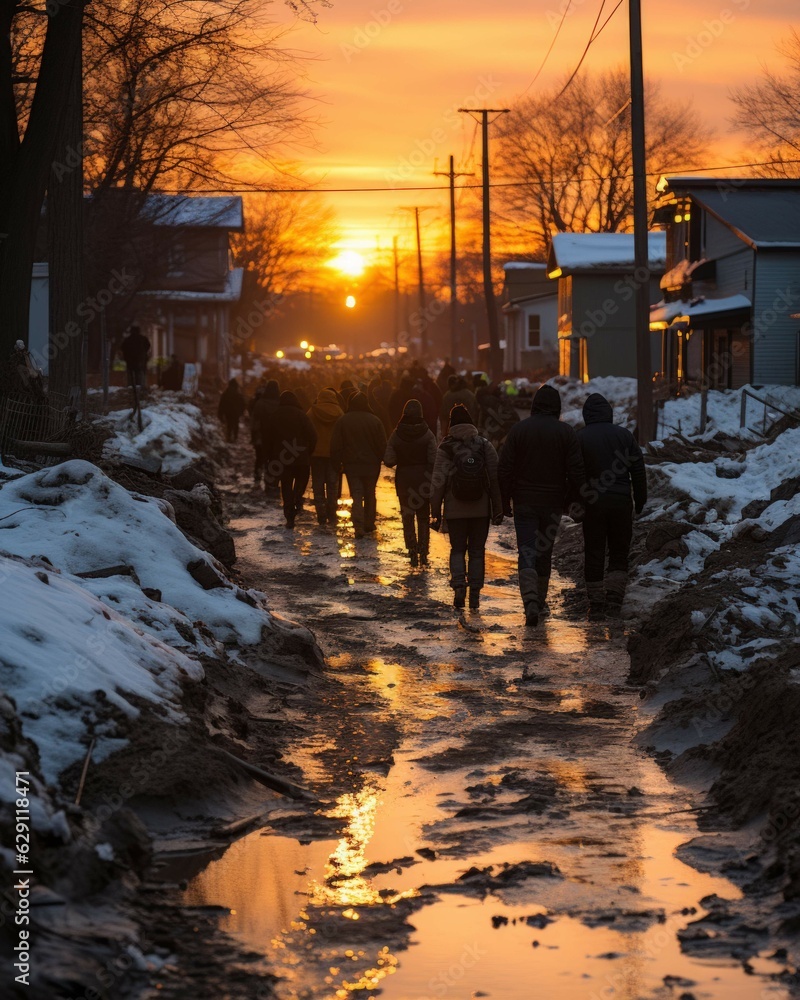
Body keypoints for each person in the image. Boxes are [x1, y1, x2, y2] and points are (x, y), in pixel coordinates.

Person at [498, 384, 586, 627]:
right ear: (557, 407)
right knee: (544, 552)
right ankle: (541, 600)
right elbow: (576, 471)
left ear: (535, 405)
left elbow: (504, 469)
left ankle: (530, 604)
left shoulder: (518, 430)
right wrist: (575, 499)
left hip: (524, 502)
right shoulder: (566, 432)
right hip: (552, 504)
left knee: (526, 551)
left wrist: (505, 500)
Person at [576, 393, 647, 619]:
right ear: (609, 413)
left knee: (594, 551)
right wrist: (641, 499)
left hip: (592, 504)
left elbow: (574, 473)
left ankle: (596, 605)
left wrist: (574, 501)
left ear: (587, 415)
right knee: (619, 551)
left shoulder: (580, 438)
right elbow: (637, 469)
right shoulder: (624, 436)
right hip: (620, 502)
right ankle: (614, 600)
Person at [430, 403, 503, 610]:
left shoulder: (445, 447)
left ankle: (459, 586)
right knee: (477, 551)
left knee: (458, 550)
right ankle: (475, 596)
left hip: (455, 511)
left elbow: (437, 482)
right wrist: (498, 508)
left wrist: (435, 511)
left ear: (451, 425)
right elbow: (495, 479)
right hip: (481, 510)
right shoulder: (484, 445)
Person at [384, 399, 437, 567]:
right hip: (423, 482)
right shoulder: (427, 434)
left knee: (407, 517)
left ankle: (411, 549)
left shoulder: (397, 434)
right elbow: (434, 459)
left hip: (404, 481)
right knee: (423, 517)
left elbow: (389, 460)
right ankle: (424, 550)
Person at [330, 391, 387, 539]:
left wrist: (337, 463)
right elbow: (382, 444)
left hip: (352, 464)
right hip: (371, 465)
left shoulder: (343, 420)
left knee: (356, 494)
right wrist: (383, 458)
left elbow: (336, 444)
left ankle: (358, 526)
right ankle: (369, 523)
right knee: (370, 494)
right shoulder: (375, 420)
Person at [266, 391, 317, 529]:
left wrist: (270, 457)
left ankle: (289, 517)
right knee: (300, 484)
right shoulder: (302, 415)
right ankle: (297, 499)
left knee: (286, 487)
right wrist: (308, 452)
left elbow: (268, 439)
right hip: (301, 459)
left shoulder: (275, 416)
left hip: (283, 460)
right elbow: (313, 436)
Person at [307, 388, 345, 526]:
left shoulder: (311, 412)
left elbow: (307, 432)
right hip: (333, 455)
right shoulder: (340, 413)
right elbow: (343, 435)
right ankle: (332, 514)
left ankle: (321, 515)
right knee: (332, 485)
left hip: (316, 455)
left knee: (317, 486)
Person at [252, 379, 280, 488]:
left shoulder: (260, 403)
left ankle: (257, 477)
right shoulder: (280, 403)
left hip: (261, 435)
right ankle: (271, 480)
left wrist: (254, 434)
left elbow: (255, 420)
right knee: (274, 458)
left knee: (259, 457)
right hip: (276, 437)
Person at [217, 378, 246, 442]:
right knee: (236, 424)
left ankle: (229, 437)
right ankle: (235, 437)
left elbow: (221, 404)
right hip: (236, 413)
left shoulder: (225, 394)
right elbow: (243, 404)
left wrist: (220, 414)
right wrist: (241, 412)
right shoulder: (238, 394)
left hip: (228, 412)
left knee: (229, 425)